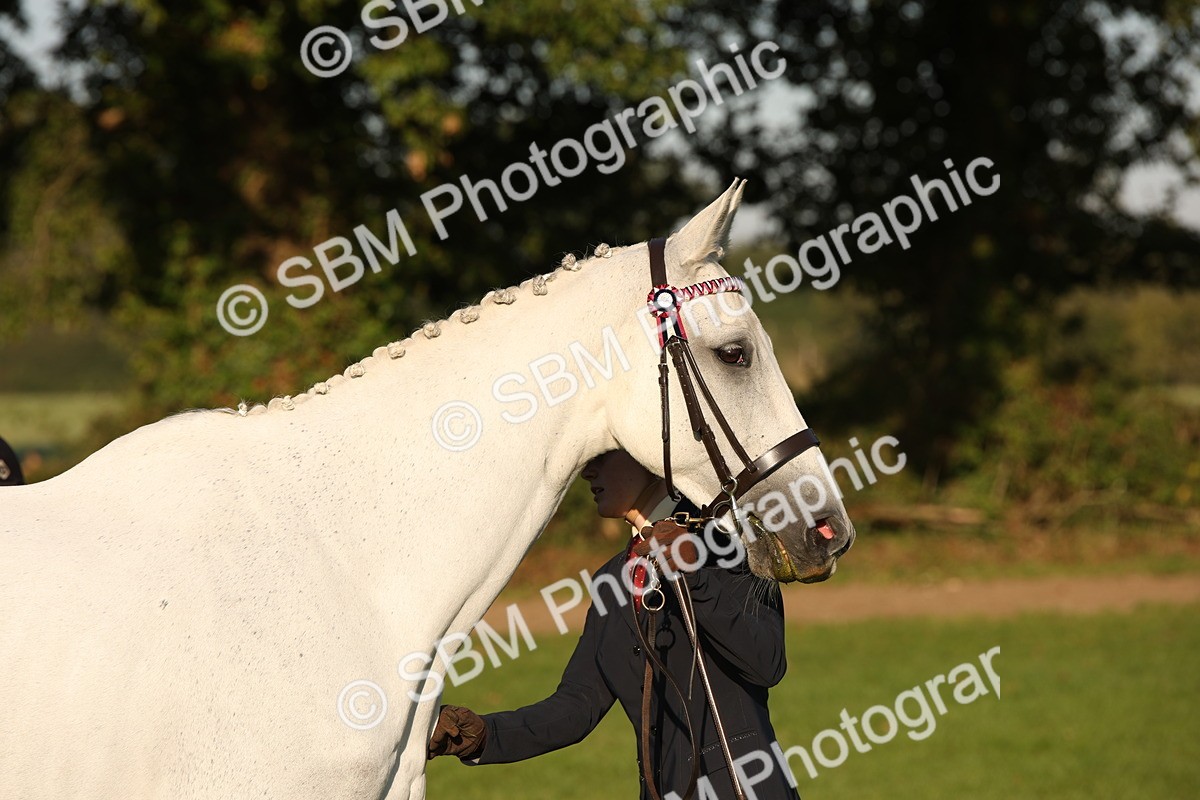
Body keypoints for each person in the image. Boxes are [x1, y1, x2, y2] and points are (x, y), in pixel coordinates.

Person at [427, 449, 800, 800]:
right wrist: (483, 737)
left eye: (602, 458)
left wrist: (693, 576)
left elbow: (766, 662)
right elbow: (578, 705)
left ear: (648, 457)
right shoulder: (613, 581)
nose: (588, 472)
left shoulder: (726, 544)